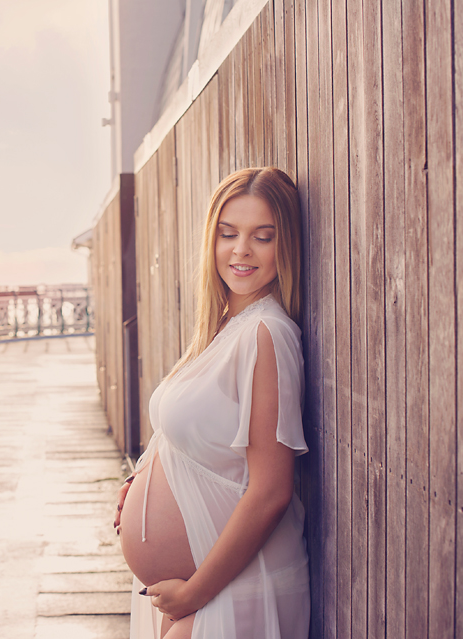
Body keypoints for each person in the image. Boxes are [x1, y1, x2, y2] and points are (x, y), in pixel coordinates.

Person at [113, 167, 310, 639]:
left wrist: (197, 591)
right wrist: (140, 480)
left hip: (230, 586)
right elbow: (198, 441)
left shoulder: (267, 334)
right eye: (228, 234)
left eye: (262, 236)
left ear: (285, 247)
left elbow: (271, 490)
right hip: (197, 588)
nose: (241, 250)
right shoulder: (223, 327)